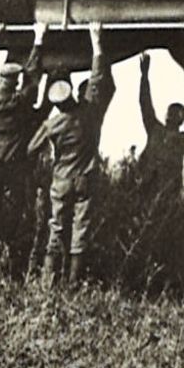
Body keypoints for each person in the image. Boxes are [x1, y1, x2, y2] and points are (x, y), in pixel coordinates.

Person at [25, 21, 114, 286]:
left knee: (57, 228)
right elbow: (98, 80)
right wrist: (96, 39)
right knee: (81, 230)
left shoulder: (53, 124)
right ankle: (74, 282)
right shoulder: (90, 113)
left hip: (61, 180)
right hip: (86, 179)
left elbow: (31, 148)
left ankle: (48, 283)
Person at [0, 20, 47, 271]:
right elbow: (34, 78)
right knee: (16, 208)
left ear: (0, 83)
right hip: (13, 165)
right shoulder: (21, 103)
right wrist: (38, 39)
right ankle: (12, 254)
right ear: (15, 83)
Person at [134, 54, 184, 198]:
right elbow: (145, 103)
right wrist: (144, 76)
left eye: (176, 113)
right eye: (170, 112)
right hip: (143, 186)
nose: (171, 115)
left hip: (167, 193)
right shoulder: (154, 128)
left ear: (181, 120)